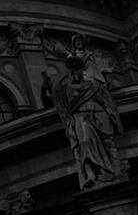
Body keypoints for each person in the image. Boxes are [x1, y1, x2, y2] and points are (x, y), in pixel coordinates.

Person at [48, 52, 127, 188]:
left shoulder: (94, 84)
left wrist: (114, 118)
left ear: (82, 69)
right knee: (84, 143)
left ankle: (117, 171)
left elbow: (107, 98)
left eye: (77, 67)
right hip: (80, 116)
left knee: (108, 142)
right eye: (71, 68)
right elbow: (57, 101)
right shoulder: (65, 89)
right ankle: (90, 174)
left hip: (99, 113)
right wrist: (47, 89)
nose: (74, 70)